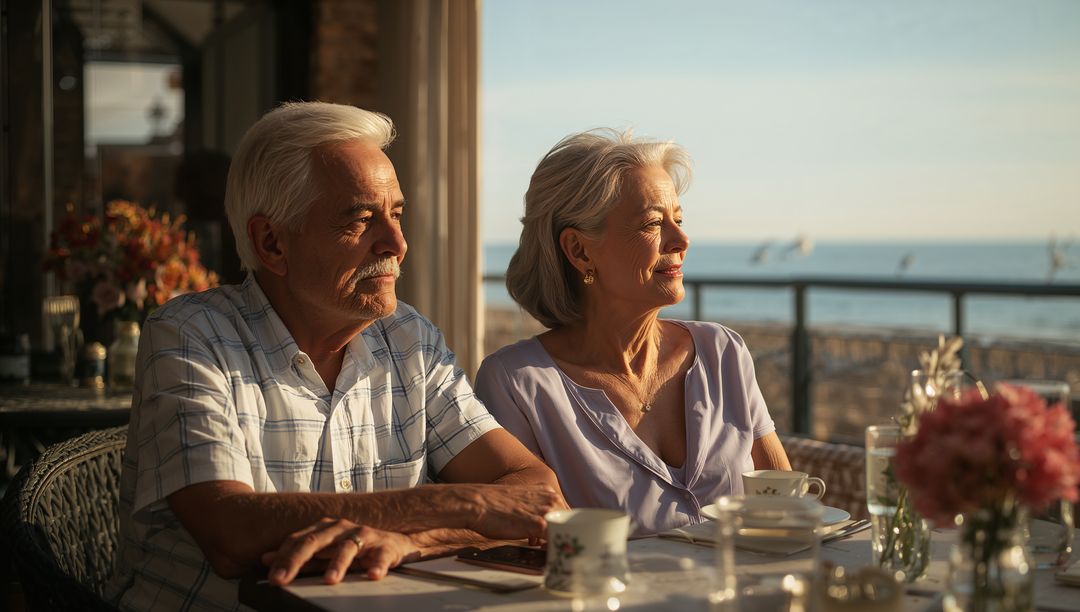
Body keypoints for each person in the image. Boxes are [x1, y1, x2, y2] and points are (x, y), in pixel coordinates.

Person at [108, 102, 566, 611]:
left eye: (396, 214)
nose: (396, 243)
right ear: (271, 242)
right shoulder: (192, 334)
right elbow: (230, 531)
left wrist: (412, 540)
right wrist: (466, 505)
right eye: (361, 219)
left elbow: (534, 491)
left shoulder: (410, 338)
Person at [473, 129, 790, 535]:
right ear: (579, 251)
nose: (681, 239)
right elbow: (522, 541)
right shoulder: (517, 385)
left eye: (678, 219)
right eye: (653, 223)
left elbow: (785, 505)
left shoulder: (723, 352)